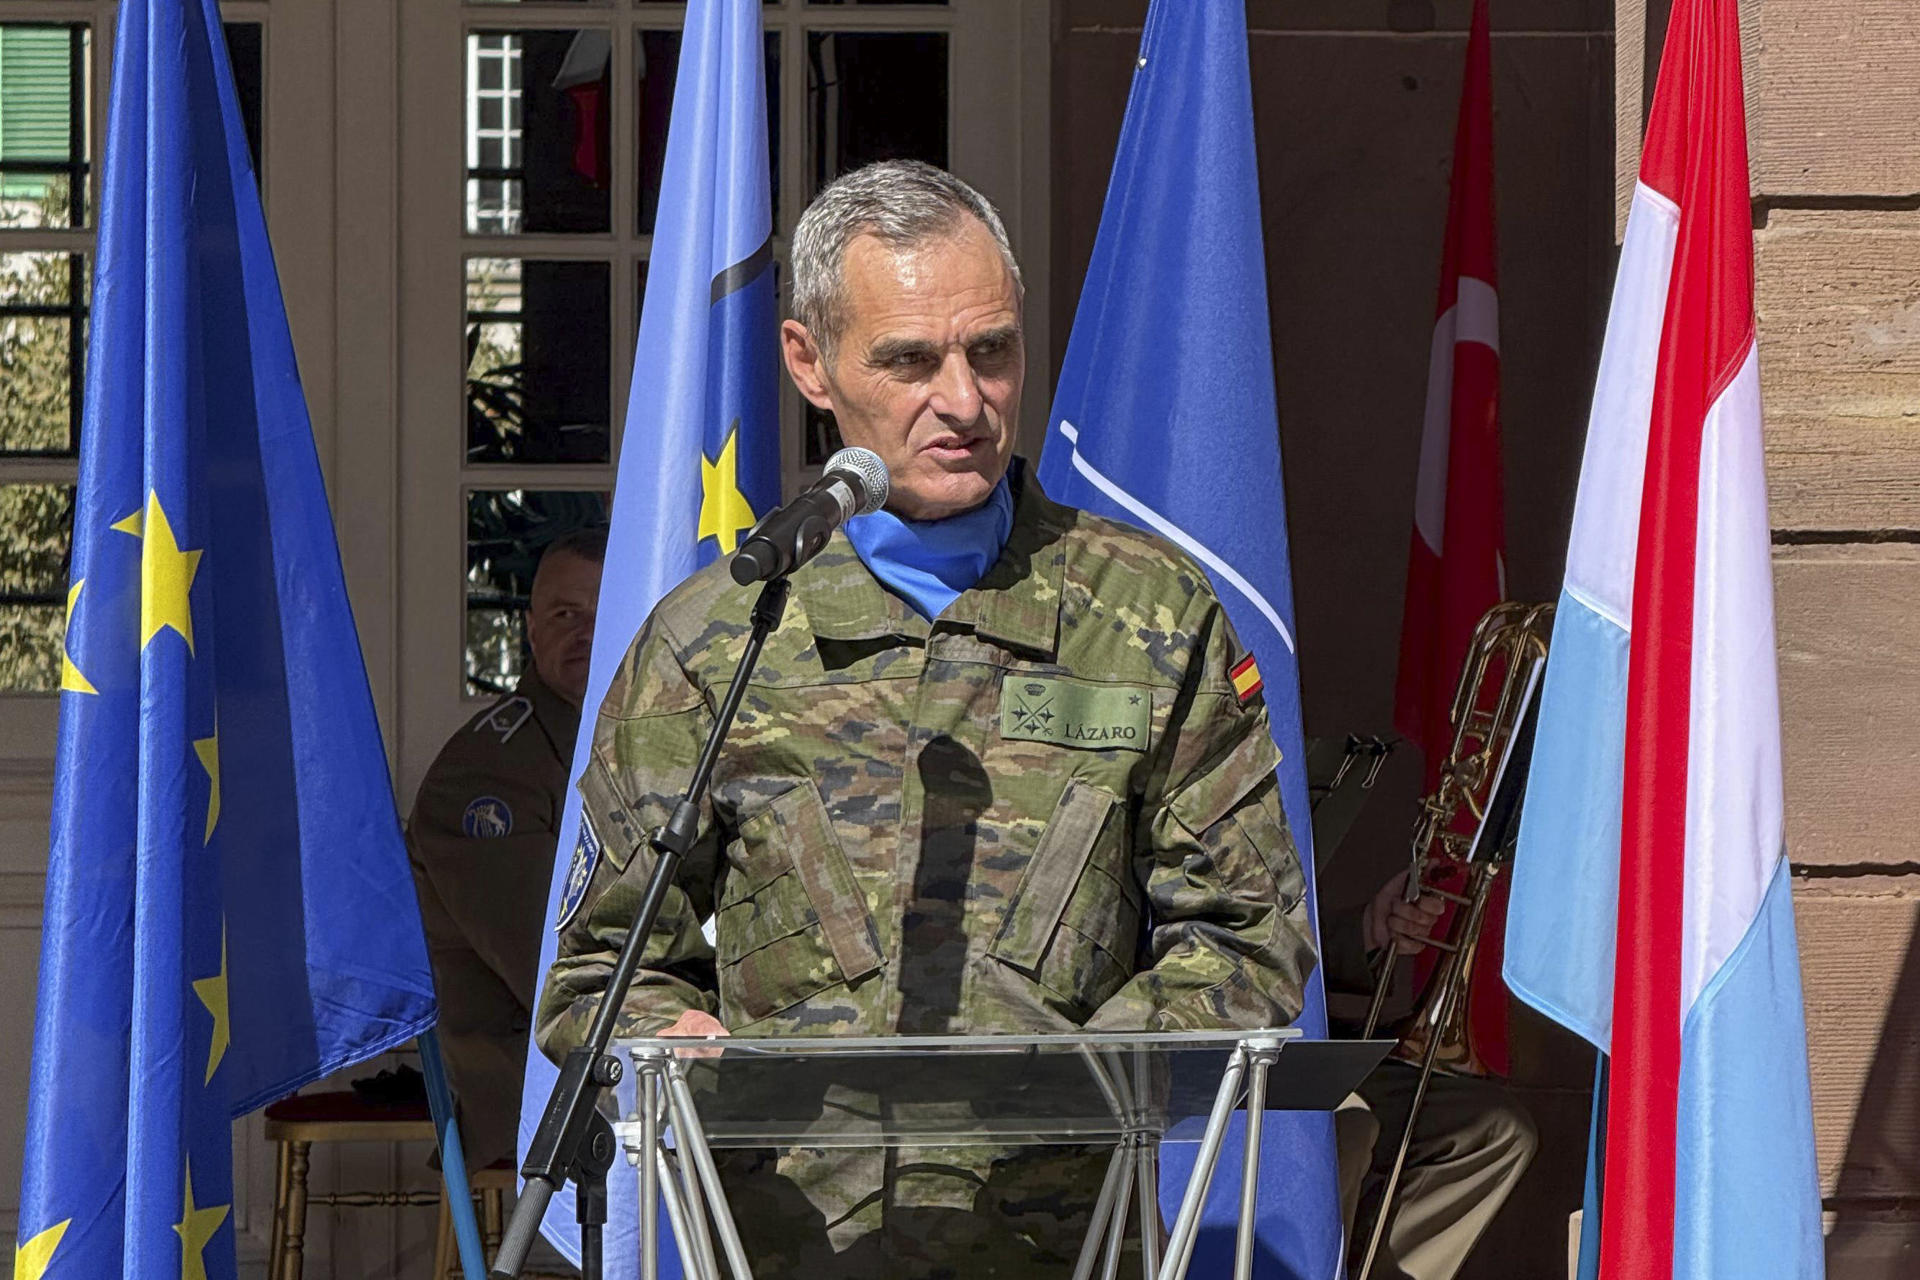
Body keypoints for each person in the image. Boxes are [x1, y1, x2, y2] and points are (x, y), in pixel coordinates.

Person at [536, 160, 1318, 1277]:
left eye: (991, 349)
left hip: (1066, 1243)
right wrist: (674, 1044)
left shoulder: (1149, 619)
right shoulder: (720, 636)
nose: (964, 399)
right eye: (909, 359)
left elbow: (1247, 939)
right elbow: (602, 972)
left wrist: (1066, 1085)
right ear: (810, 362)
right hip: (780, 1246)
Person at [407, 526, 605, 1170]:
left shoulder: (647, 735)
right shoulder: (490, 768)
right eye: (564, 614)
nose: (585, 633)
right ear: (531, 631)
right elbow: (550, 966)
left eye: (605, 613)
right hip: (529, 1073)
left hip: (626, 1042)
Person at [1323, 868, 1538, 1280]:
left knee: (1497, 1131)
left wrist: (1367, 930)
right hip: (1214, 1049)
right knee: (1346, 1129)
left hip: (1309, 1041)